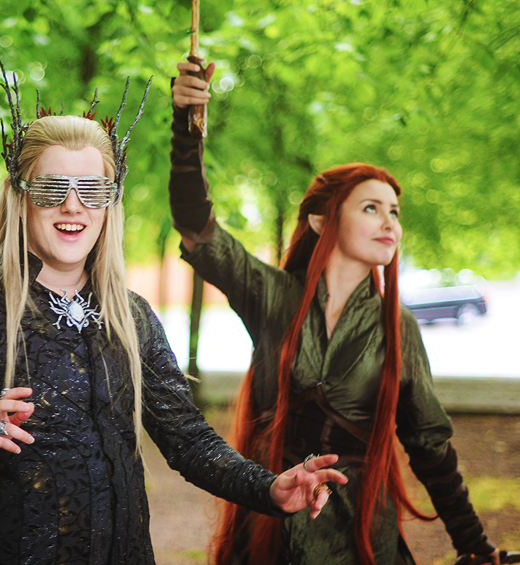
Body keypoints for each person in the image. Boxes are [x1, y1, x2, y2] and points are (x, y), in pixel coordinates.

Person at [0, 72, 346, 565]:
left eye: (92, 188)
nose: (74, 206)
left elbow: (188, 440)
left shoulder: (131, 316)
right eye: (52, 189)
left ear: (111, 202)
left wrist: (269, 488)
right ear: (21, 196)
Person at [169, 60, 501, 565]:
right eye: (371, 208)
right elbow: (197, 224)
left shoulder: (398, 328)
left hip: (359, 534)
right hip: (272, 526)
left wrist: (475, 547)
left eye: (394, 212)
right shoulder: (272, 295)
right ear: (322, 222)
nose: (389, 223)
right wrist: (187, 124)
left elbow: (431, 449)